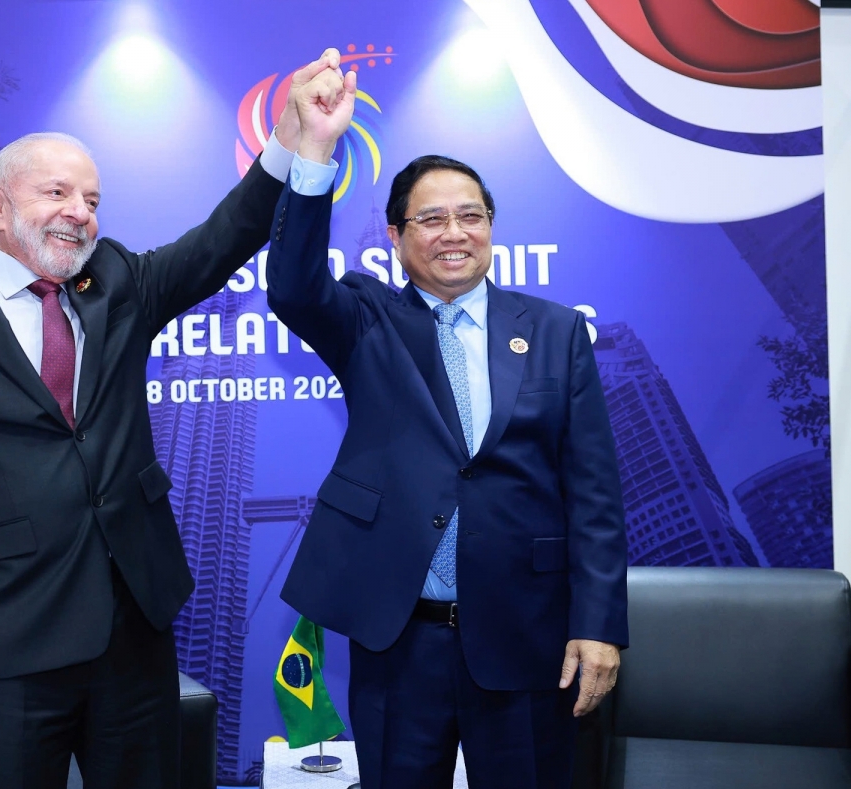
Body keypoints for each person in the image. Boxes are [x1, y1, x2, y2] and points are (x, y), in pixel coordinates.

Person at [0, 49, 345, 789]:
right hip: (5, 642)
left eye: (92, 198)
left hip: (132, 633)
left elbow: (225, 236)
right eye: (58, 192)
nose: (80, 211)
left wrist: (293, 135)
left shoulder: (118, 284)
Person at [267, 67, 629, 788]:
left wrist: (598, 624)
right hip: (401, 638)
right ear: (397, 237)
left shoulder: (555, 331)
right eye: (431, 220)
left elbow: (594, 494)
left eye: (471, 215)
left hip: (527, 634)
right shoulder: (367, 319)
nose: (455, 233)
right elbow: (294, 286)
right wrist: (316, 151)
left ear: (491, 226)